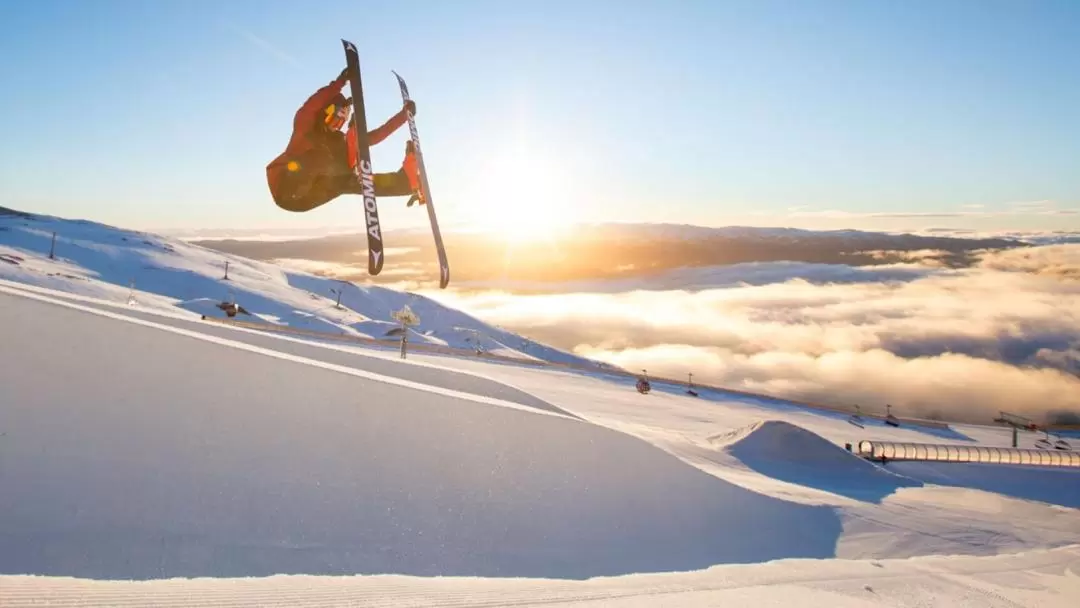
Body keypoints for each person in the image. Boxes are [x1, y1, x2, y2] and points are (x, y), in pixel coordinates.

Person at [266, 67, 421, 213]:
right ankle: (350, 163)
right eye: (333, 119)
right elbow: (311, 105)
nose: (335, 126)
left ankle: (405, 182)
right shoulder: (305, 127)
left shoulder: (339, 141)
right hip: (285, 185)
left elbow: (377, 136)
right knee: (327, 157)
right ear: (323, 113)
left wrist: (403, 116)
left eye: (340, 122)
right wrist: (340, 82)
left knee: (349, 179)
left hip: (308, 196)